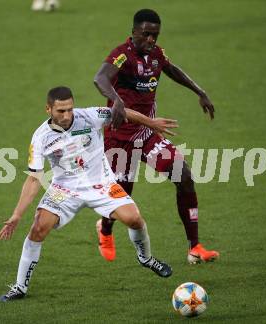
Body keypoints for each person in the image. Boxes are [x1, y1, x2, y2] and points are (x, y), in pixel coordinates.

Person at [0, 86, 177, 302]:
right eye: (60, 111)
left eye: (69, 109)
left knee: (135, 219)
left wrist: (152, 123)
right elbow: (34, 178)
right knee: (38, 229)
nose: (67, 115)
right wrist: (17, 215)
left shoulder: (89, 116)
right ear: (48, 109)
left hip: (101, 184)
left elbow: (122, 112)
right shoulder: (40, 138)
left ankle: (146, 259)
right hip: (64, 189)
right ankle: (19, 287)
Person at [93, 9, 219, 264]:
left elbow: (171, 69)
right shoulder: (122, 55)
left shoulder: (156, 54)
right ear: (134, 32)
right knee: (121, 197)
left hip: (148, 133)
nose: (151, 39)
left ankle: (195, 247)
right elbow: (100, 78)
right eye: (146, 34)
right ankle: (105, 230)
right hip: (119, 139)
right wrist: (116, 100)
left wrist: (199, 91)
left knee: (183, 175)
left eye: (155, 35)